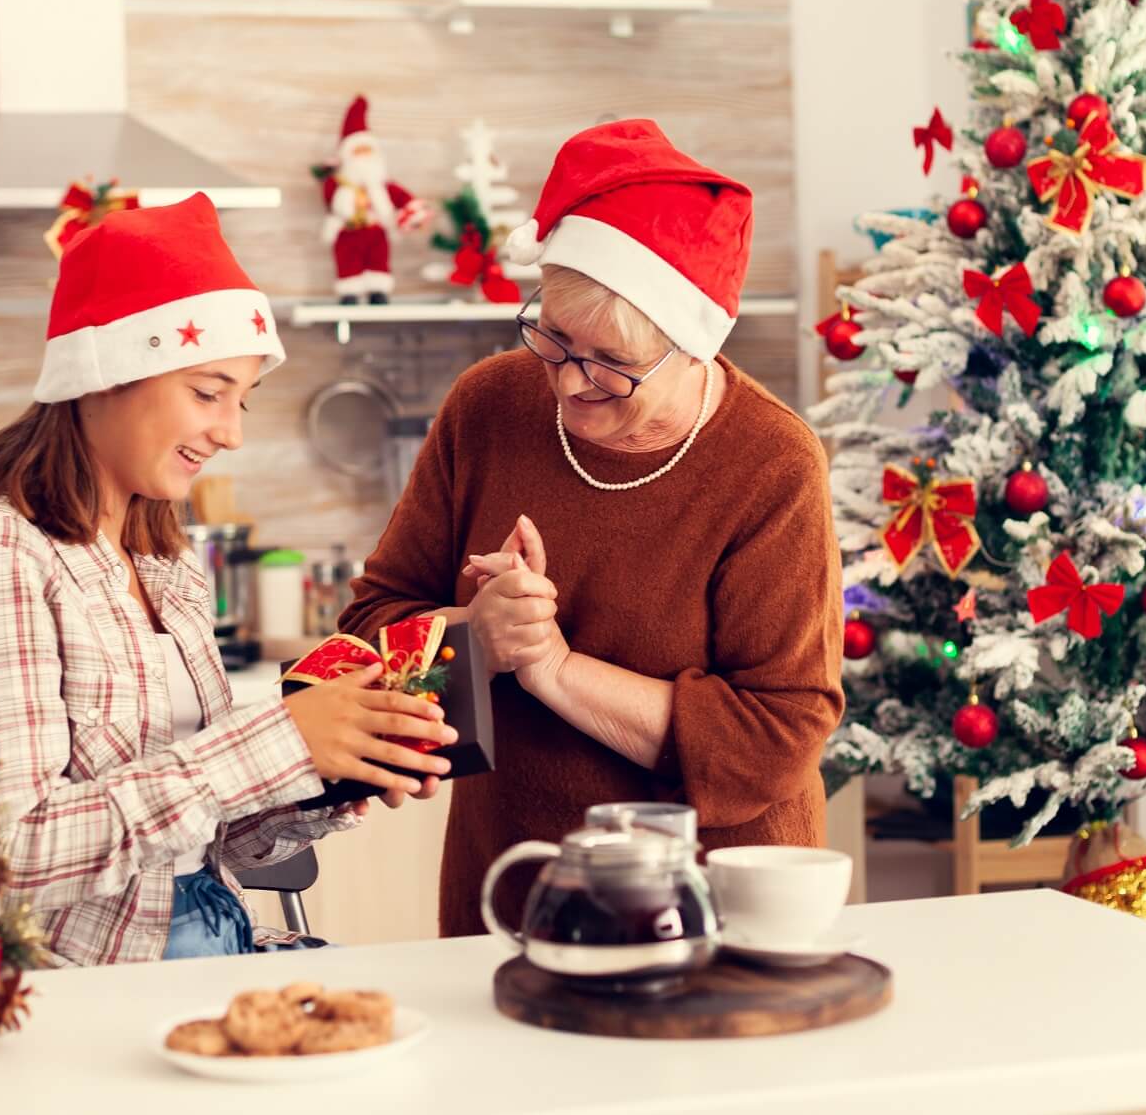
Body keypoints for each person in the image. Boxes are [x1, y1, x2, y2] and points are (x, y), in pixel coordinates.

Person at [338, 120, 845, 936]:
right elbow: (365, 636)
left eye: (610, 362)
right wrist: (476, 636)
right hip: (510, 897)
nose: (569, 383)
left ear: (692, 345)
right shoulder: (488, 406)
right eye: (555, 339)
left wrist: (552, 666)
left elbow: (775, 738)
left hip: (709, 914)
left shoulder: (773, 463)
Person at [0, 193, 454, 965]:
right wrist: (276, 740)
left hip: (216, 930)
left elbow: (201, 835)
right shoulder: (6, 557)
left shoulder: (168, 564)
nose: (232, 432)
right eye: (208, 392)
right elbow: (12, 852)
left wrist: (327, 769)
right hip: (92, 981)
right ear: (105, 372)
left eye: (241, 400)